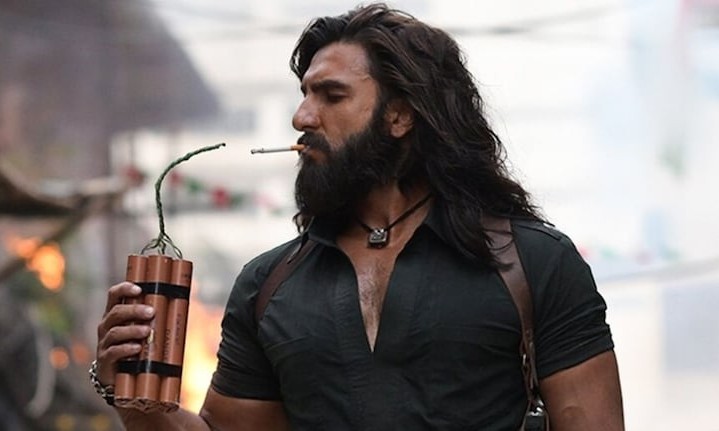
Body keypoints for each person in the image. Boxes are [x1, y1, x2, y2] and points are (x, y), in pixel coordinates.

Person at [92, 3, 624, 430]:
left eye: (332, 95)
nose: (302, 117)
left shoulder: (532, 264)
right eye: (305, 95)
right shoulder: (268, 284)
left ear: (400, 115)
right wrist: (133, 396)